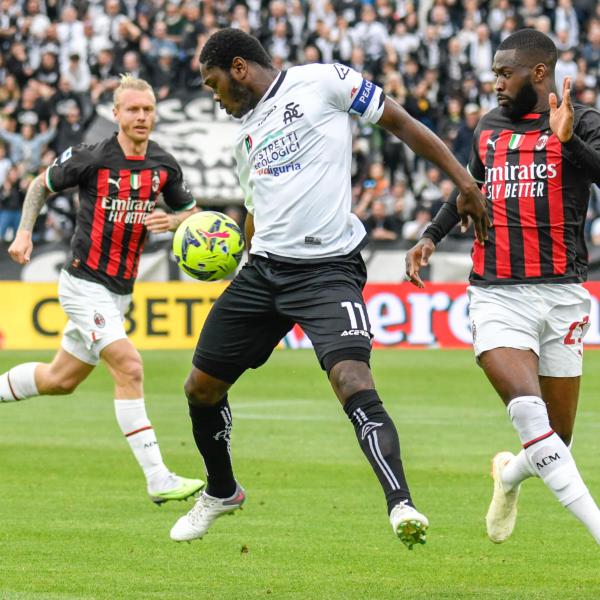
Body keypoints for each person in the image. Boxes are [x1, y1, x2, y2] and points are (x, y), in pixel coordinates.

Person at [169, 28, 488, 547]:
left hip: (327, 271)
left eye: (213, 83)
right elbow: (254, 210)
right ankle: (223, 491)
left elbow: (404, 124)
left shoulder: (325, 81)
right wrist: (240, 261)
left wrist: (464, 184)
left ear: (239, 69)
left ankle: (401, 503)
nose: (214, 95)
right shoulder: (245, 139)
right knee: (199, 389)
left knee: (352, 380)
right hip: (264, 271)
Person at [405, 29, 600, 546]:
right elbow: (469, 188)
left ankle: (508, 473)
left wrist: (569, 141)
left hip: (562, 295)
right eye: (493, 72)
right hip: (496, 294)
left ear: (539, 74)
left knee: (554, 441)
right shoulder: (487, 128)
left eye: (504, 73)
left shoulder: (583, 121)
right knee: (529, 414)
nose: (494, 83)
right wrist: (429, 235)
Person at [0, 75, 204, 505]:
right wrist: (24, 234)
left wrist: (174, 221)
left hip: (119, 292)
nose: (141, 117)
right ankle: (158, 477)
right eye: (132, 110)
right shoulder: (92, 158)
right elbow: (40, 184)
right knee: (129, 367)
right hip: (82, 283)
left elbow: (191, 213)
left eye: (147, 110)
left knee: (59, 380)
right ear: (117, 114)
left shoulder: (163, 166)